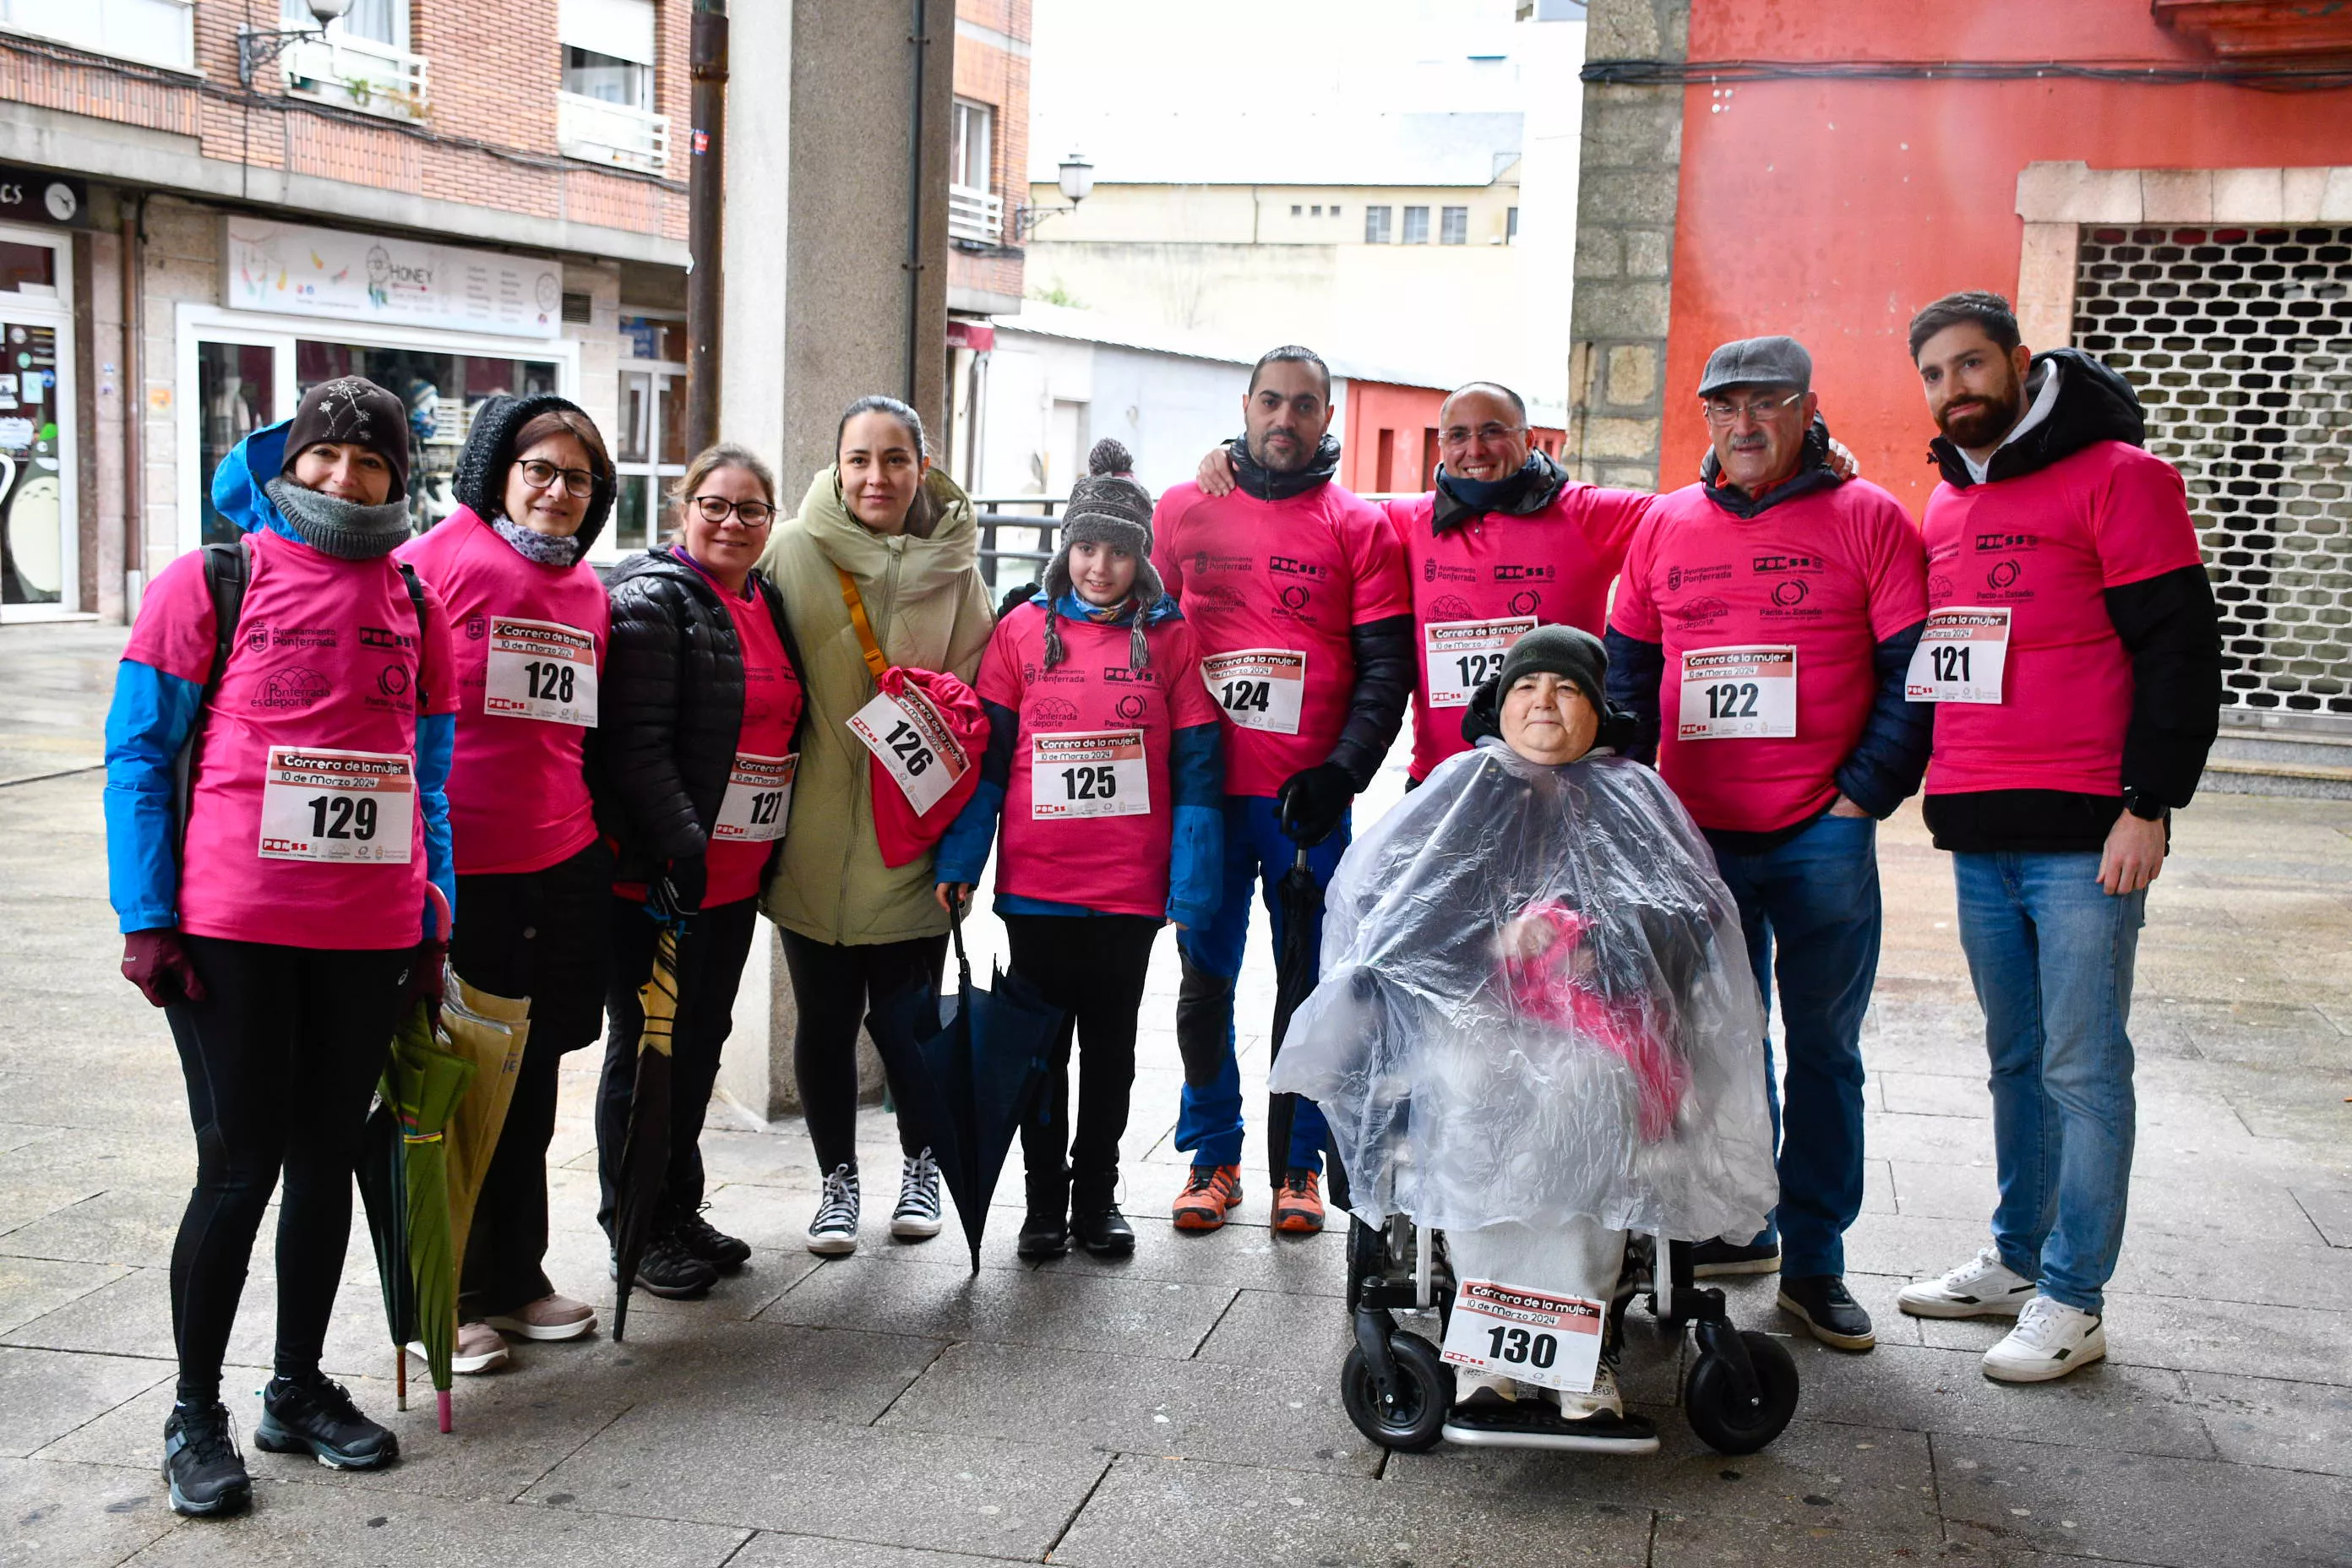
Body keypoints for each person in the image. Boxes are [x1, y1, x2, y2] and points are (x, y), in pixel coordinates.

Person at [1271, 626, 1776, 1445]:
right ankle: (1487, 1357)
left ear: (1596, 710)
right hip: (1471, 1025)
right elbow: (1395, 923)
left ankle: (1576, 1360)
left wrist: (1590, 944)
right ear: (1500, 705)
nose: (1544, 702)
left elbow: (1688, 932)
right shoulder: (1460, 793)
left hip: (1596, 1033)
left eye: (1566, 688)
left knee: (1585, 1099)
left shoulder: (1636, 798)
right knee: (1472, 1092)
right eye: (1527, 688)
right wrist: (1495, 946)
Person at [104, 376, 456, 1516]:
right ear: (289, 463)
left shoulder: (415, 599)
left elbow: (430, 782)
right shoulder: (212, 578)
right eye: (325, 459)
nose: (346, 480)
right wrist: (146, 918)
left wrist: (432, 918)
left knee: (325, 1162)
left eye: (372, 465)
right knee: (239, 1164)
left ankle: (295, 1387)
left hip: (366, 939)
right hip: (232, 932)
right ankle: (194, 1413)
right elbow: (139, 760)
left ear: (401, 480)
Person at [1894, 292, 2220, 1381]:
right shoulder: (1945, 506)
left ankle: (2077, 1294)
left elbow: (2180, 648)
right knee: (2015, 1058)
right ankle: (2018, 1255)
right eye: (1936, 374)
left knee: (2084, 1066)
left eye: (1972, 365)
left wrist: (2150, 801)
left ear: (2021, 364)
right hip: (1981, 828)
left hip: (2091, 831)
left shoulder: (2126, 478)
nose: (1956, 389)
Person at [1605, 335, 1930, 1353]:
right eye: (1725, 407)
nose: (1744, 426)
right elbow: (1624, 676)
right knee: (1713, 1045)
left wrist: (1864, 793)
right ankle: (1737, 1219)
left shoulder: (1868, 518)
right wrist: (1633, 807)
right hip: (1696, 840)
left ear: (1806, 407)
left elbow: (1915, 670)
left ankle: (1818, 1258)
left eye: (1767, 403)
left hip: (1817, 835)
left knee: (1824, 1049)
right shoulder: (1664, 525)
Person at [1151, 345, 1414, 1236]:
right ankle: (1212, 1151)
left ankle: (1298, 1162)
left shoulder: (1359, 524)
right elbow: (1131, 624)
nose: (1286, 420)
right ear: (1246, 404)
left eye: (1306, 405)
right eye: (1272, 402)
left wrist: (1343, 772)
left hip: (1305, 803)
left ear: (1328, 418)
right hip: (1204, 799)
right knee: (1203, 982)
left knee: (1309, 987)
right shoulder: (1187, 505)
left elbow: (1388, 668)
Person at [934, 455, 1225, 1259]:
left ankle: (1097, 1196)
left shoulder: (1171, 639)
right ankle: (1042, 1207)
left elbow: (1198, 767)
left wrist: (1192, 879)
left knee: (1111, 1054)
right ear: (1066, 550)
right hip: (1038, 889)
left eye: (1120, 552)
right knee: (1040, 1052)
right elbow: (989, 762)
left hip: (1128, 893)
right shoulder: (1022, 631)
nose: (1102, 567)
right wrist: (963, 860)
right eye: (1088, 549)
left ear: (1143, 559)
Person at [396, 394, 615, 1371]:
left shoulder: (588, 590)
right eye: (542, 469)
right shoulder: (436, 560)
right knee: (455, 1081)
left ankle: (514, 1275)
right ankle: (439, 1295)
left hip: (559, 862)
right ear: (499, 472)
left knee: (530, 1081)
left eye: (578, 478)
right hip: (462, 870)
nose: (559, 491)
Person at [758, 396, 995, 1255]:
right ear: (835, 465)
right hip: (812, 843)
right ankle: (835, 1181)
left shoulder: (961, 578)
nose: (876, 476)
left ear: (922, 468)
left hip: (912, 849)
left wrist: (965, 849)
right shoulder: (790, 550)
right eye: (859, 458)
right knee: (821, 1023)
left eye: (895, 459)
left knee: (906, 1024)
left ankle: (921, 1163)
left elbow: (980, 727)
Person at [1193, 381, 1654, 783]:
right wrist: (1236, 459)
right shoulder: (1401, 520)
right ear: (1441, 447)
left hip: (1560, 779)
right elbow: (1307, 514)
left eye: (1493, 431)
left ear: (1530, 439)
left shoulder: (1589, 514)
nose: (1475, 450)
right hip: (1440, 782)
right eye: (1458, 435)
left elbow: (1687, 521)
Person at [597, 443, 808, 1298]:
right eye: (714, 505)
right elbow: (635, 743)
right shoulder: (655, 601)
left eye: (751, 508)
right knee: (646, 1054)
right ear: (683, 509)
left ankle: (678, 1205)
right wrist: (682, 844)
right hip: (659, 877)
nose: (732, 521)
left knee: (698, 1048)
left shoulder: (767, 599)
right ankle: (635, 1228)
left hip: (732, 876)